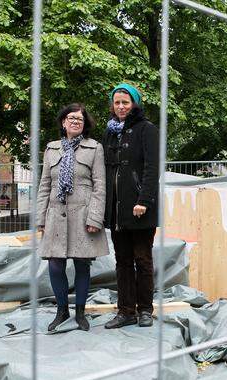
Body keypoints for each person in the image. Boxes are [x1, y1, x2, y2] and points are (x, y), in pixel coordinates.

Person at [37, 103, 108, 332]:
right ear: (63, 122)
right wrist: (40, 219)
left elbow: (100, 185)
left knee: (82, 265)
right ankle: (61, 311)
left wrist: (95, 218)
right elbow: (44, 186)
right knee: (55, 266)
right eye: (71, 117)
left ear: (85, 123)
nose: (76, 121)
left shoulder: (94, 148)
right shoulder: (51, 149)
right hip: (55, 215)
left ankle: (80, 313)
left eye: (80, 118)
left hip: (83, 215)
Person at [102, 83, 159, 329]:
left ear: (134, 103)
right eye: (117, 102)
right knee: (122, 261)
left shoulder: (147, 129)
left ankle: (145, 309)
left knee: (142, 260)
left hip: (140, 209)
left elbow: (151, 168)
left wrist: (143, 201)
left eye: (126, 102)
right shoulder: (110, 132)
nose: (121, 106)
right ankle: (126, 311)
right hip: (117, 210)